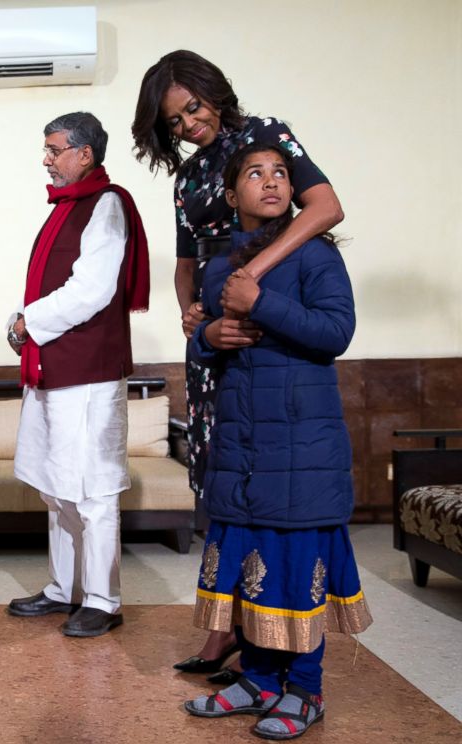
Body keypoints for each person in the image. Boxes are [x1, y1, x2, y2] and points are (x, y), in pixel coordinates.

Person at [131, 50, 345, 680]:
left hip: (268, 320)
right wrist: (191, 316)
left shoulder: (264, 140)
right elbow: (186, 261)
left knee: (266, 482)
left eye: (192, 107)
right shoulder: (188, 178)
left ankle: (269, 638)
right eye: (173, 122)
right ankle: (226, 628)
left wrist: (253, 273)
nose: (188, 125)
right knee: (219, 483)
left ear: (214, 93)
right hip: (216, 334)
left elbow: (326, 207)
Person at [182, 143, 371, 740]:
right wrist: (211, 331)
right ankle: (260, 679)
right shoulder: (219, 269)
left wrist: (261, 301)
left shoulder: (315, 257)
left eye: (281, 174)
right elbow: (204, 348)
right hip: (241, 444)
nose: (271, 183)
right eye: (255, 174)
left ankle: (305, 690)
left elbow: (336, 332)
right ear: (231, 193)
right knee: (248, 568)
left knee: (294, 567)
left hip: (302, 446)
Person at [6, 112, 150, 638]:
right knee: (56, 485)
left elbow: (92, 289)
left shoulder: (106, 204)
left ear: (85, 154)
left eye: (54, 149)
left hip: (87, 372)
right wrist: (22, 323)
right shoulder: (67, 206)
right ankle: (63, 588)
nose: (46, 158)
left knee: (92, 490)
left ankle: (102, 599)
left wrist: (30, 322)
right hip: (54, 364)